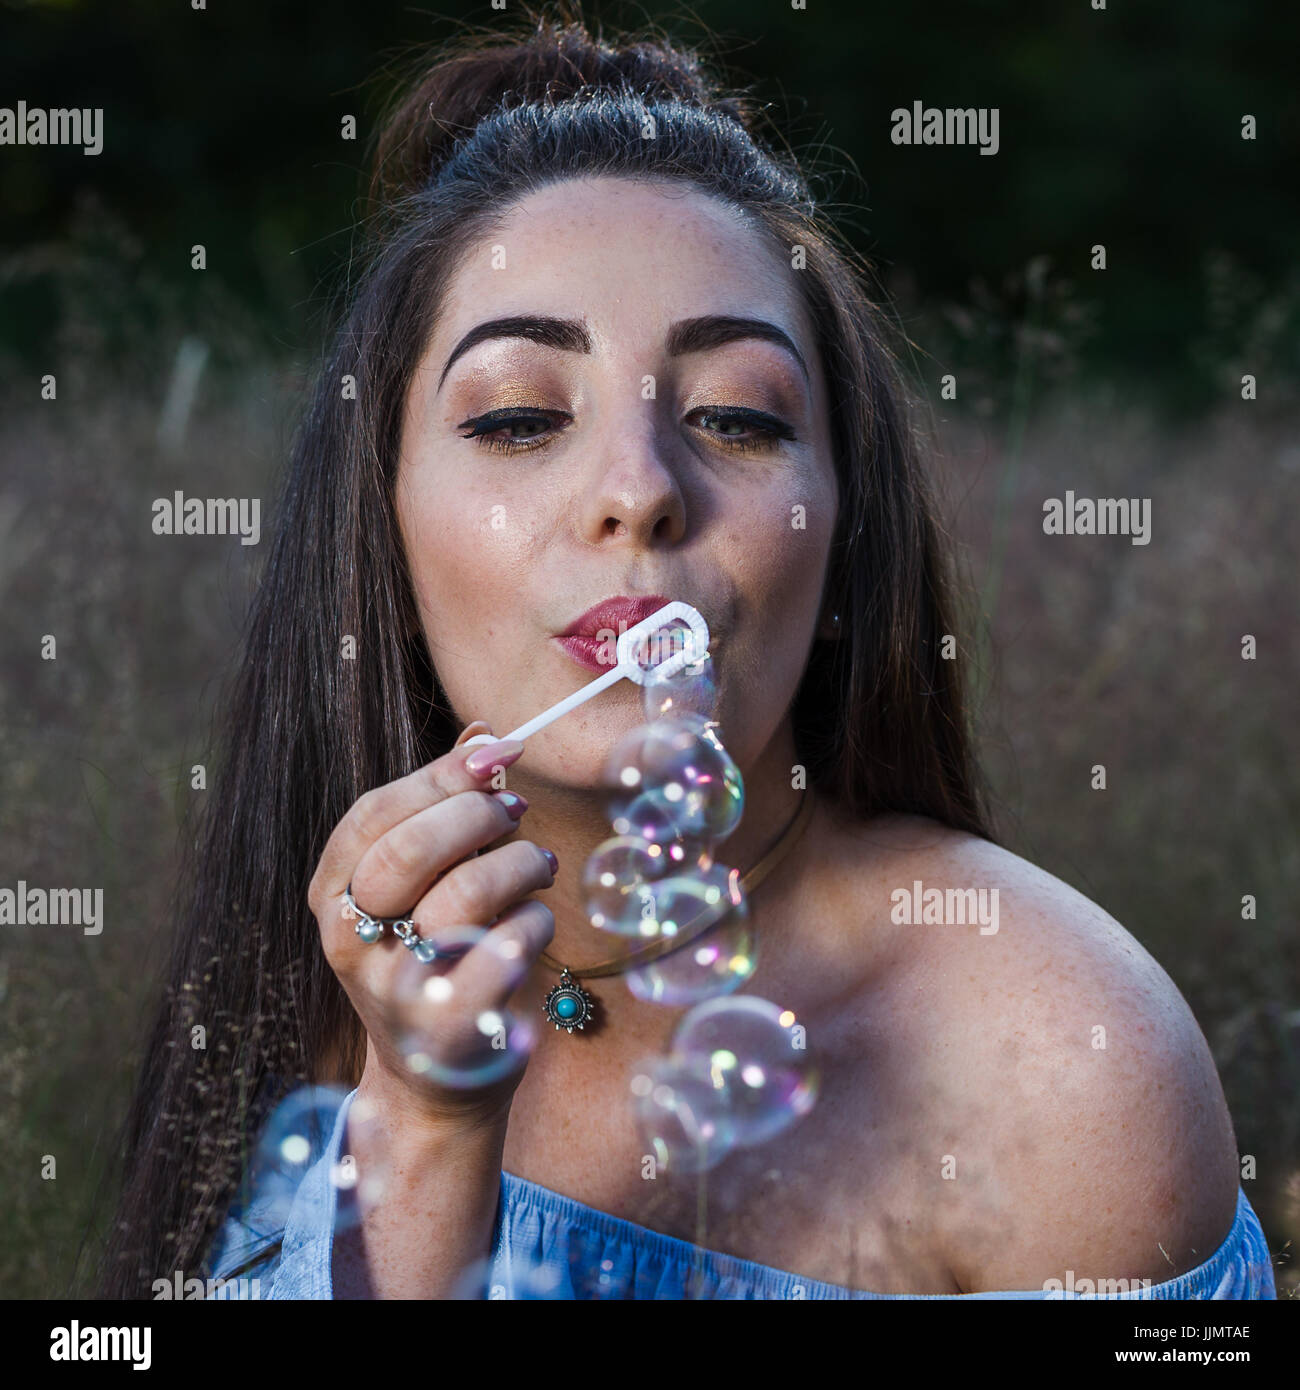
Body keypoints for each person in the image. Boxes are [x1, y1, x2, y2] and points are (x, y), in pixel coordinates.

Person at [99, 4, 1275, 1300]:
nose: (638, 490)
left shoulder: (1060, 1059)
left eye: (733, 416)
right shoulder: (321, 953)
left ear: (843, 528)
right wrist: (424, 1137)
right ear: (376, 517)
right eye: (518, 418)